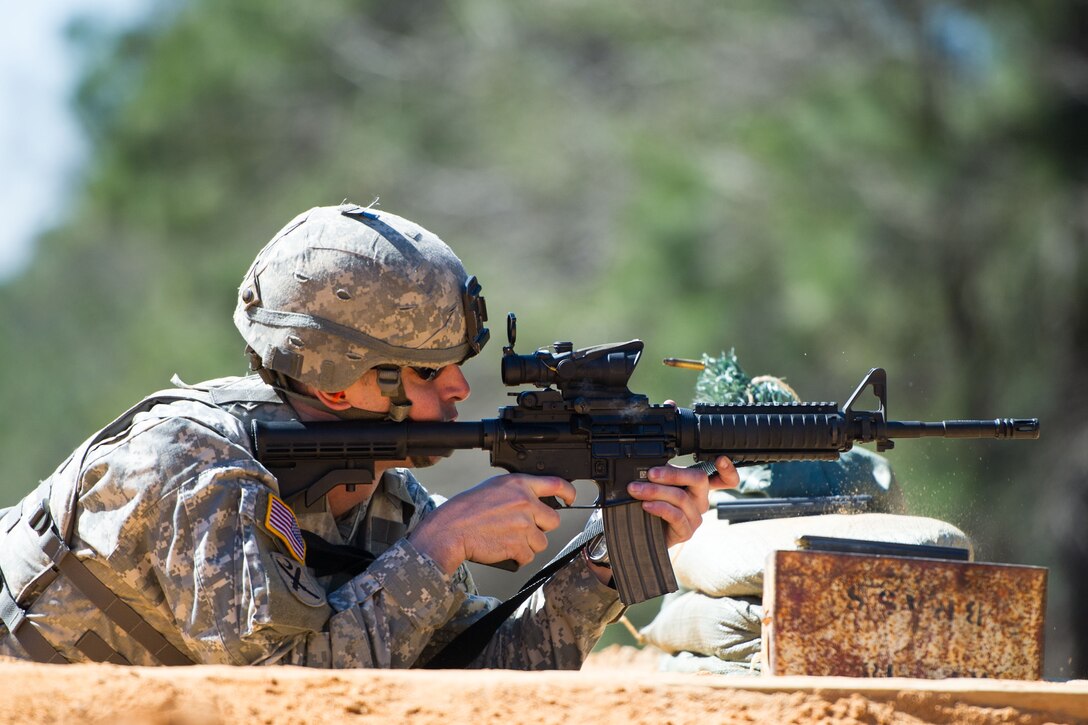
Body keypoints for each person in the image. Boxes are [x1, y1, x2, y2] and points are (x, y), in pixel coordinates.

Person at [0, 203, 737, 669]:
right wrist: (439, 546)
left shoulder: (380, 495)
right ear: (335, 382)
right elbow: (280, 695)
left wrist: (607, 563)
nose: (456, 390)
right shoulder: (188, 465)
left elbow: (465, 681)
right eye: (427, 373)